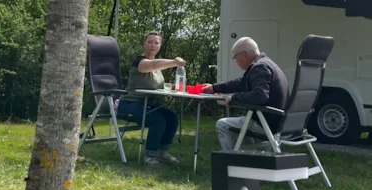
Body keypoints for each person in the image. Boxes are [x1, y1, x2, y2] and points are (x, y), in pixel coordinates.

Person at [201, 36, 289, 151]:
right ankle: (248, 158)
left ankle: (231, 160)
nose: (236, 61)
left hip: (266, 124)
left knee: (222, 125)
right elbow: (241, 82)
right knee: (241, 124)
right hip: (278, 122)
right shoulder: (266, 64)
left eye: (235, 57)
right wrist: (214, 88)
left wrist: (234, 98)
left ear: (243, 55)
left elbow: (260, 95)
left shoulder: (260, 67)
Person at [118, 31, 185, 165]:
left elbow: (158, 84)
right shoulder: (139, 61)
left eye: (156, 42)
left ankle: (163, 152)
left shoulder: (158, 67)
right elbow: (150, 66)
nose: (152, 45)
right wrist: (174, 62)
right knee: (158, 119)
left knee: (171, 117)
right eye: (149, 42)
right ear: (144, 44)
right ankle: (150, 156)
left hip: (151, 104)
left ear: (160, 45)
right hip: (131, 103)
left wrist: (175, 86)